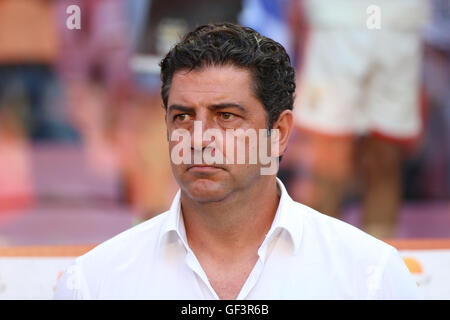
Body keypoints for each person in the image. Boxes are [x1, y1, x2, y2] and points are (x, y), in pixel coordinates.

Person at [54, 23, 420, 299]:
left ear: (278, 132)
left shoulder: (371, 277)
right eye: (181, 116)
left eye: (226, 116)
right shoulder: (94, 283)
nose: (198, 138)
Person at [285, 0, 431, 239]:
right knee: (328, 160)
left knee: (385, 157)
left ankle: (380, 263)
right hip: (336, 20)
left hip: (399, 21)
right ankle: (320, 261)